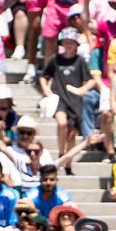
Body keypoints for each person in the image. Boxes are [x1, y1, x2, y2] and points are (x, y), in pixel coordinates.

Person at [40, 27, 95, 158]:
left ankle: (68, 161)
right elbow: (43, 76)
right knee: (62, 123)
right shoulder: (55, 59)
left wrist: (82, 90)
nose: (69, 45)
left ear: (76, 45)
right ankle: (61, 152)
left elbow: (91, 80)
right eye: (66, 42)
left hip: (75, 101)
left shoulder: (80, 61)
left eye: (71, 42)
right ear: (62, 44)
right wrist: (46, 90)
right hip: (59, 99)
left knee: (71, 135)